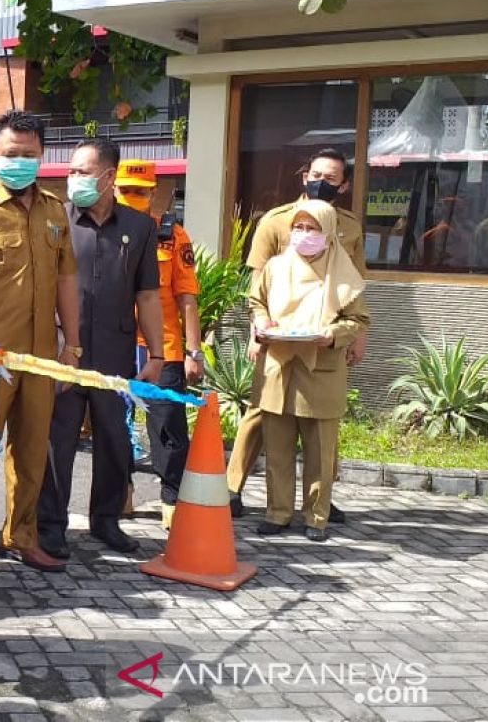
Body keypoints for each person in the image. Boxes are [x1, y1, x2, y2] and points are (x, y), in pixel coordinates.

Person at [0, 110, 81, 582]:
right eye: (10, 154)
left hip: (42, 355)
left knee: (29, 451)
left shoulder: (54, 210)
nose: (19, 162)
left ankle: (21, 537)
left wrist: (73, 347)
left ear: (42, 157)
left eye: (28, 155)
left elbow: (67, 280)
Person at [36, 142, 164, 558]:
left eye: (82, 172)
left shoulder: (140, 227)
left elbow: (147, 296)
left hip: (115, 351)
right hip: (63, 351)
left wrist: (157, 355)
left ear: (109, 177)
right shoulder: (56, 220)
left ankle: (107, 520)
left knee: (114, 439)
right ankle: (50, 524)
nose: (73, 180)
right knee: (59, 439)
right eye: (71, 172)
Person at [227, 148, 368, 520]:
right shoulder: (277, 221)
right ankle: (232, 487)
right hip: (278, 336)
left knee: (321, 420)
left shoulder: (348, 226)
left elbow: (352, 284)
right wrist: (256, 333)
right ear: (305, 176)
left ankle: (318, 501)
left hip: (322, 335)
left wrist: (354, 336)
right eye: (316, 175)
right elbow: (259, 279)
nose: (322, 182)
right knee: (262, 412)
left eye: (331, 178)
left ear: (344, 184)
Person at [250, 200, 369, 542]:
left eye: (312, 228)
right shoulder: (275, 267)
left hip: (322, 369)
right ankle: (277, 513)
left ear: (329, 232)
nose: (304, 235)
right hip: (280, 366)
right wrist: (261, 322)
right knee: (277, 447)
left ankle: (317, 517)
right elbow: (256, 302)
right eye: (298, 228)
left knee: (320, 451)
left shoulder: (343, 272)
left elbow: (357, 319)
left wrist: (333, 335)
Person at [115, 159, 204, 531]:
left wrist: (194, 352)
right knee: (114, 424)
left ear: (155, 192)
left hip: (163, 347)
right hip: (116, 343)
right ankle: (121, 494)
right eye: (126, 191)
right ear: (114, 189)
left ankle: (171, 499)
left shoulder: (173, 235)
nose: (134, 197)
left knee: (167, 427)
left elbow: (187, 296)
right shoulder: (104, 230)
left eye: (141, 191)